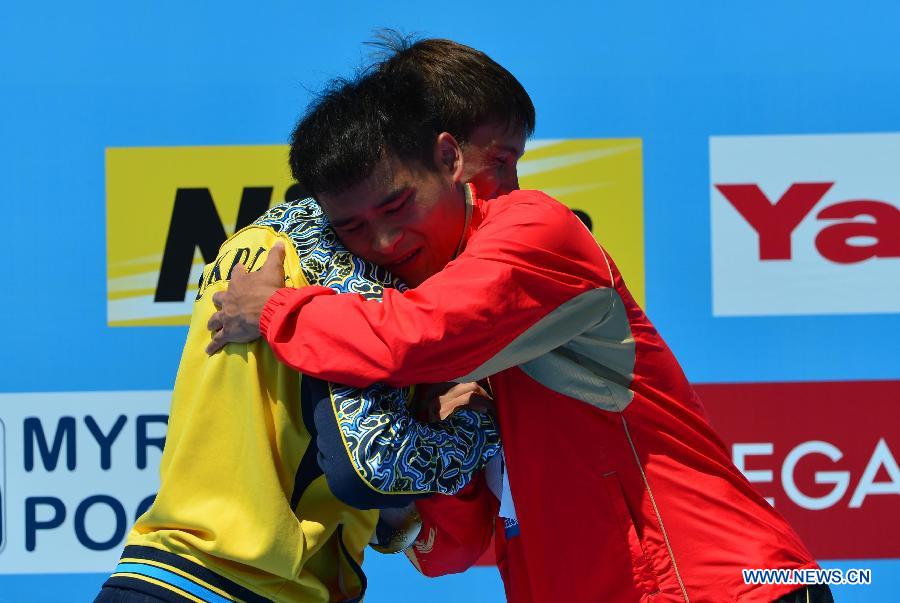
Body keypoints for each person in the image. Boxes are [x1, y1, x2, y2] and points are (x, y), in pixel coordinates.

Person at [207, 48, 830, 603]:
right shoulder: (424, 297)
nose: (385, 239)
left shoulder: (534, 230)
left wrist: (272, 310)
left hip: (719, 582)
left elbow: (410, 336)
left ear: (447, 157)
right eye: (355, 227)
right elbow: (455, 550)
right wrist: (417, 470)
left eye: (398, 206)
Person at [94, 35, 540, 603]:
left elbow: (388, 511)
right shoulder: (351, 273)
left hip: (175, 577)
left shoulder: (274, 237)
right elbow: (369, 467)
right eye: (499, 159)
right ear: (438, 148)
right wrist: (483, 426)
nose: (511, 190)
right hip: (240, 587)